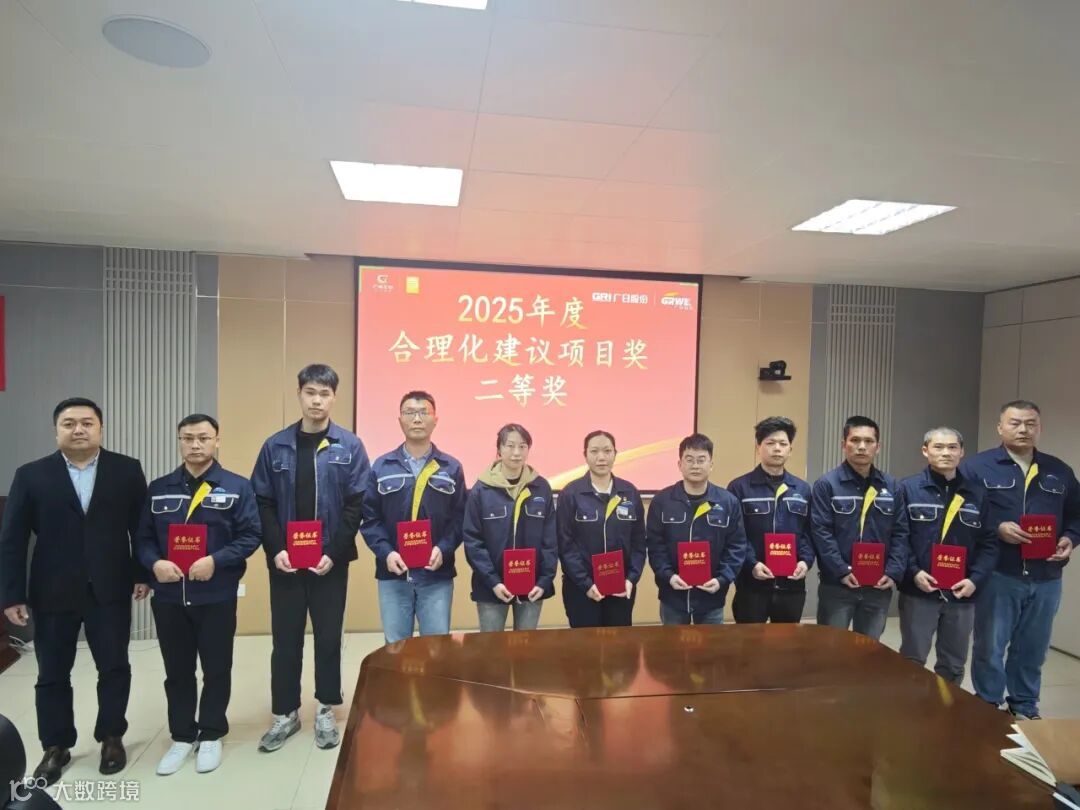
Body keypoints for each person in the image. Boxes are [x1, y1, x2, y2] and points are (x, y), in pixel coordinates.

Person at [0, 398, 148, 785]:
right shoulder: (31, 475)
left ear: (100, 428)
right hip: (51, 591)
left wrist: (142, 573)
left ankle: (111, 736)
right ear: (56, 431)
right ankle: (56, 745)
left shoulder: (126, 470)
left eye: (87, 422)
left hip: (110, 587)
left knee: (114, 666)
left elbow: (140, 528)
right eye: (69, 424)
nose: (78, 429)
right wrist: (12, 594)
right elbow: (12, 538)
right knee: (51, 673)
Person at [250, 364, 370, 752]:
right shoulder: (275, 446)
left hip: (329, 563)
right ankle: (285, 713)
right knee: (285, 639)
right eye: (310, 393)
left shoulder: (349, 446)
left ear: (334, 398)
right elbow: (262, 502)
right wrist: (276, 550)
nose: (317, 401)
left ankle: (325, 708)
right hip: (286, 561)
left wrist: (334, 553)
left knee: (328, 637)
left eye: (324, 394)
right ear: (299, 394)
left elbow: (356, 504)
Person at [135, 414, 261, 775]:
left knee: (217, 667)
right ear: (179, 441)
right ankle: (181, 735)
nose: (195, 444)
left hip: (216, 594)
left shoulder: (236, 487)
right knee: (177, 670)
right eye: (188, 438)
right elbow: (143, 537)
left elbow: (251, 535)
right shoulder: (159, 488)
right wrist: (154, 563)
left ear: (217, 441)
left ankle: (211, 732)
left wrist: (215, 561)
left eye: (203, 438)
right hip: (170, 597)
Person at [964, 400, 1080, 719]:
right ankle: (987, 704)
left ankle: (1024, 704)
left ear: (1039, 429)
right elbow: (961, 514)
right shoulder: (976, 468)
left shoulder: (1059, 470)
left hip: (1047, 576)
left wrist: (1070, 539)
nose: (1023, 429)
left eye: (1030, 423)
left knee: (1033, 647)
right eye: (1015, 423)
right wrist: (996, 528)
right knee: (990, 646)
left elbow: (1076, 514)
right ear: (1000, 427)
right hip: (998, 573)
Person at [362, 391, 466, 643]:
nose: (417, 419)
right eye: (410, 413)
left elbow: (460, 518)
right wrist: (387, 553)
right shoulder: (382, 466)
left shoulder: (451, 467)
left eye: (423, 412)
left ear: (435, 420)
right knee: (396, 648)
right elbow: (370, 518)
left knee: (437, 648)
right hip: (393, 575)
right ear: (400, 420)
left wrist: (444, 548)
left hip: (436, 575)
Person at [896, 427, 997, 684]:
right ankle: (910, 707)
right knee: (912, 660)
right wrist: (914, 572)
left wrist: (975, 580)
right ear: (925, 450)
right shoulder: (907, 489)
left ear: (962, 452)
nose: (946, 453)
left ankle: (947, 708)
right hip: (919, 591)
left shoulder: (977, 493)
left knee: (953, 662)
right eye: (938, 447)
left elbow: (989, 543)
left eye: (952, 447)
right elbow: (899, 538)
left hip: (961, 594)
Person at [810, 415, 905, 640]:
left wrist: (893, 571)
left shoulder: (892, 486)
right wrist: (841, 570)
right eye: (855, 440)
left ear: (878, 447)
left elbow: (901, 532)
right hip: (838, 585)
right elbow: (821, 531)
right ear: (844, 445)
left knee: (869, 651)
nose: (862, 446)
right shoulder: (827, 484)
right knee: (831, 648)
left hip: (878, 586)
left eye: (869, 441)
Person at [462, 424, 557, 631]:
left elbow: (550, 540)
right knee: (491, 646)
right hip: (491, 587)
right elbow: (472, 541)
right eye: (510, 446)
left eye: (522, 446)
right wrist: (493, 581)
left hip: (532, 587)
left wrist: (544, 580)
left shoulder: (541, 487)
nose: (516, 453)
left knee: (526, 646)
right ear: (499, 449)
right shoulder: (481, 489)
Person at [646, 433, 747, 625]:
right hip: (673, 596)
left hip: (712, 596)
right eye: (689, 460)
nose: (695, 465)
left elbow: (736, 546)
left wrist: (722, 579)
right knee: (672, 644)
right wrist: (668, 576)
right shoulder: (662, 501)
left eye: (701, 460)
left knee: (711, 645)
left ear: (711, 464)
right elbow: (655, 546)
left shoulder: (728, 502)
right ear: (679, 464)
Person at [728, 417, 814, 624]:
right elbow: (735, 536)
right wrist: (752, 564)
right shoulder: (739, 487)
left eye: (783, 444)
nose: (777, 449)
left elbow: (809, 533)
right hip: (752, 584)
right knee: (749, 641)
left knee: (786, 641)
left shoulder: (802, 489)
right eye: (770, 443)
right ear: (758, 447)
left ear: (790, 450)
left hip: (791, 585)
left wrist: (805, 561)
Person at [556, 431, 646, 628]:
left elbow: (639, 542)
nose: (601, 457)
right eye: (594, 451)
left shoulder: (629, 492)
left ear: (615, 454)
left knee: (618, 645)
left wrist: (631, 579)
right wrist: (586, 584)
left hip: (621, 588)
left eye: (607, 451)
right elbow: (565, 545)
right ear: (585, 455)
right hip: (581, 590)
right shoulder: (570, 494)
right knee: (585, 645)